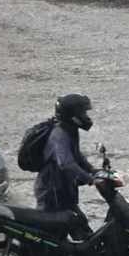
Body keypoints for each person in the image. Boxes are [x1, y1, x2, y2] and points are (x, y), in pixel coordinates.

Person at [34, 93, 99, 241]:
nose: (86, 116)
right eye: (82, 112)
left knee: (79, 225)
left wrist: (92, 169)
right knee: (53, 234)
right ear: (72, 115)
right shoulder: (59, 134)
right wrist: (90, 179)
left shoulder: (70, 130)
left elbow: (77, 155)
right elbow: (66, 163)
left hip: (63, 190)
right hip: (52, 192)